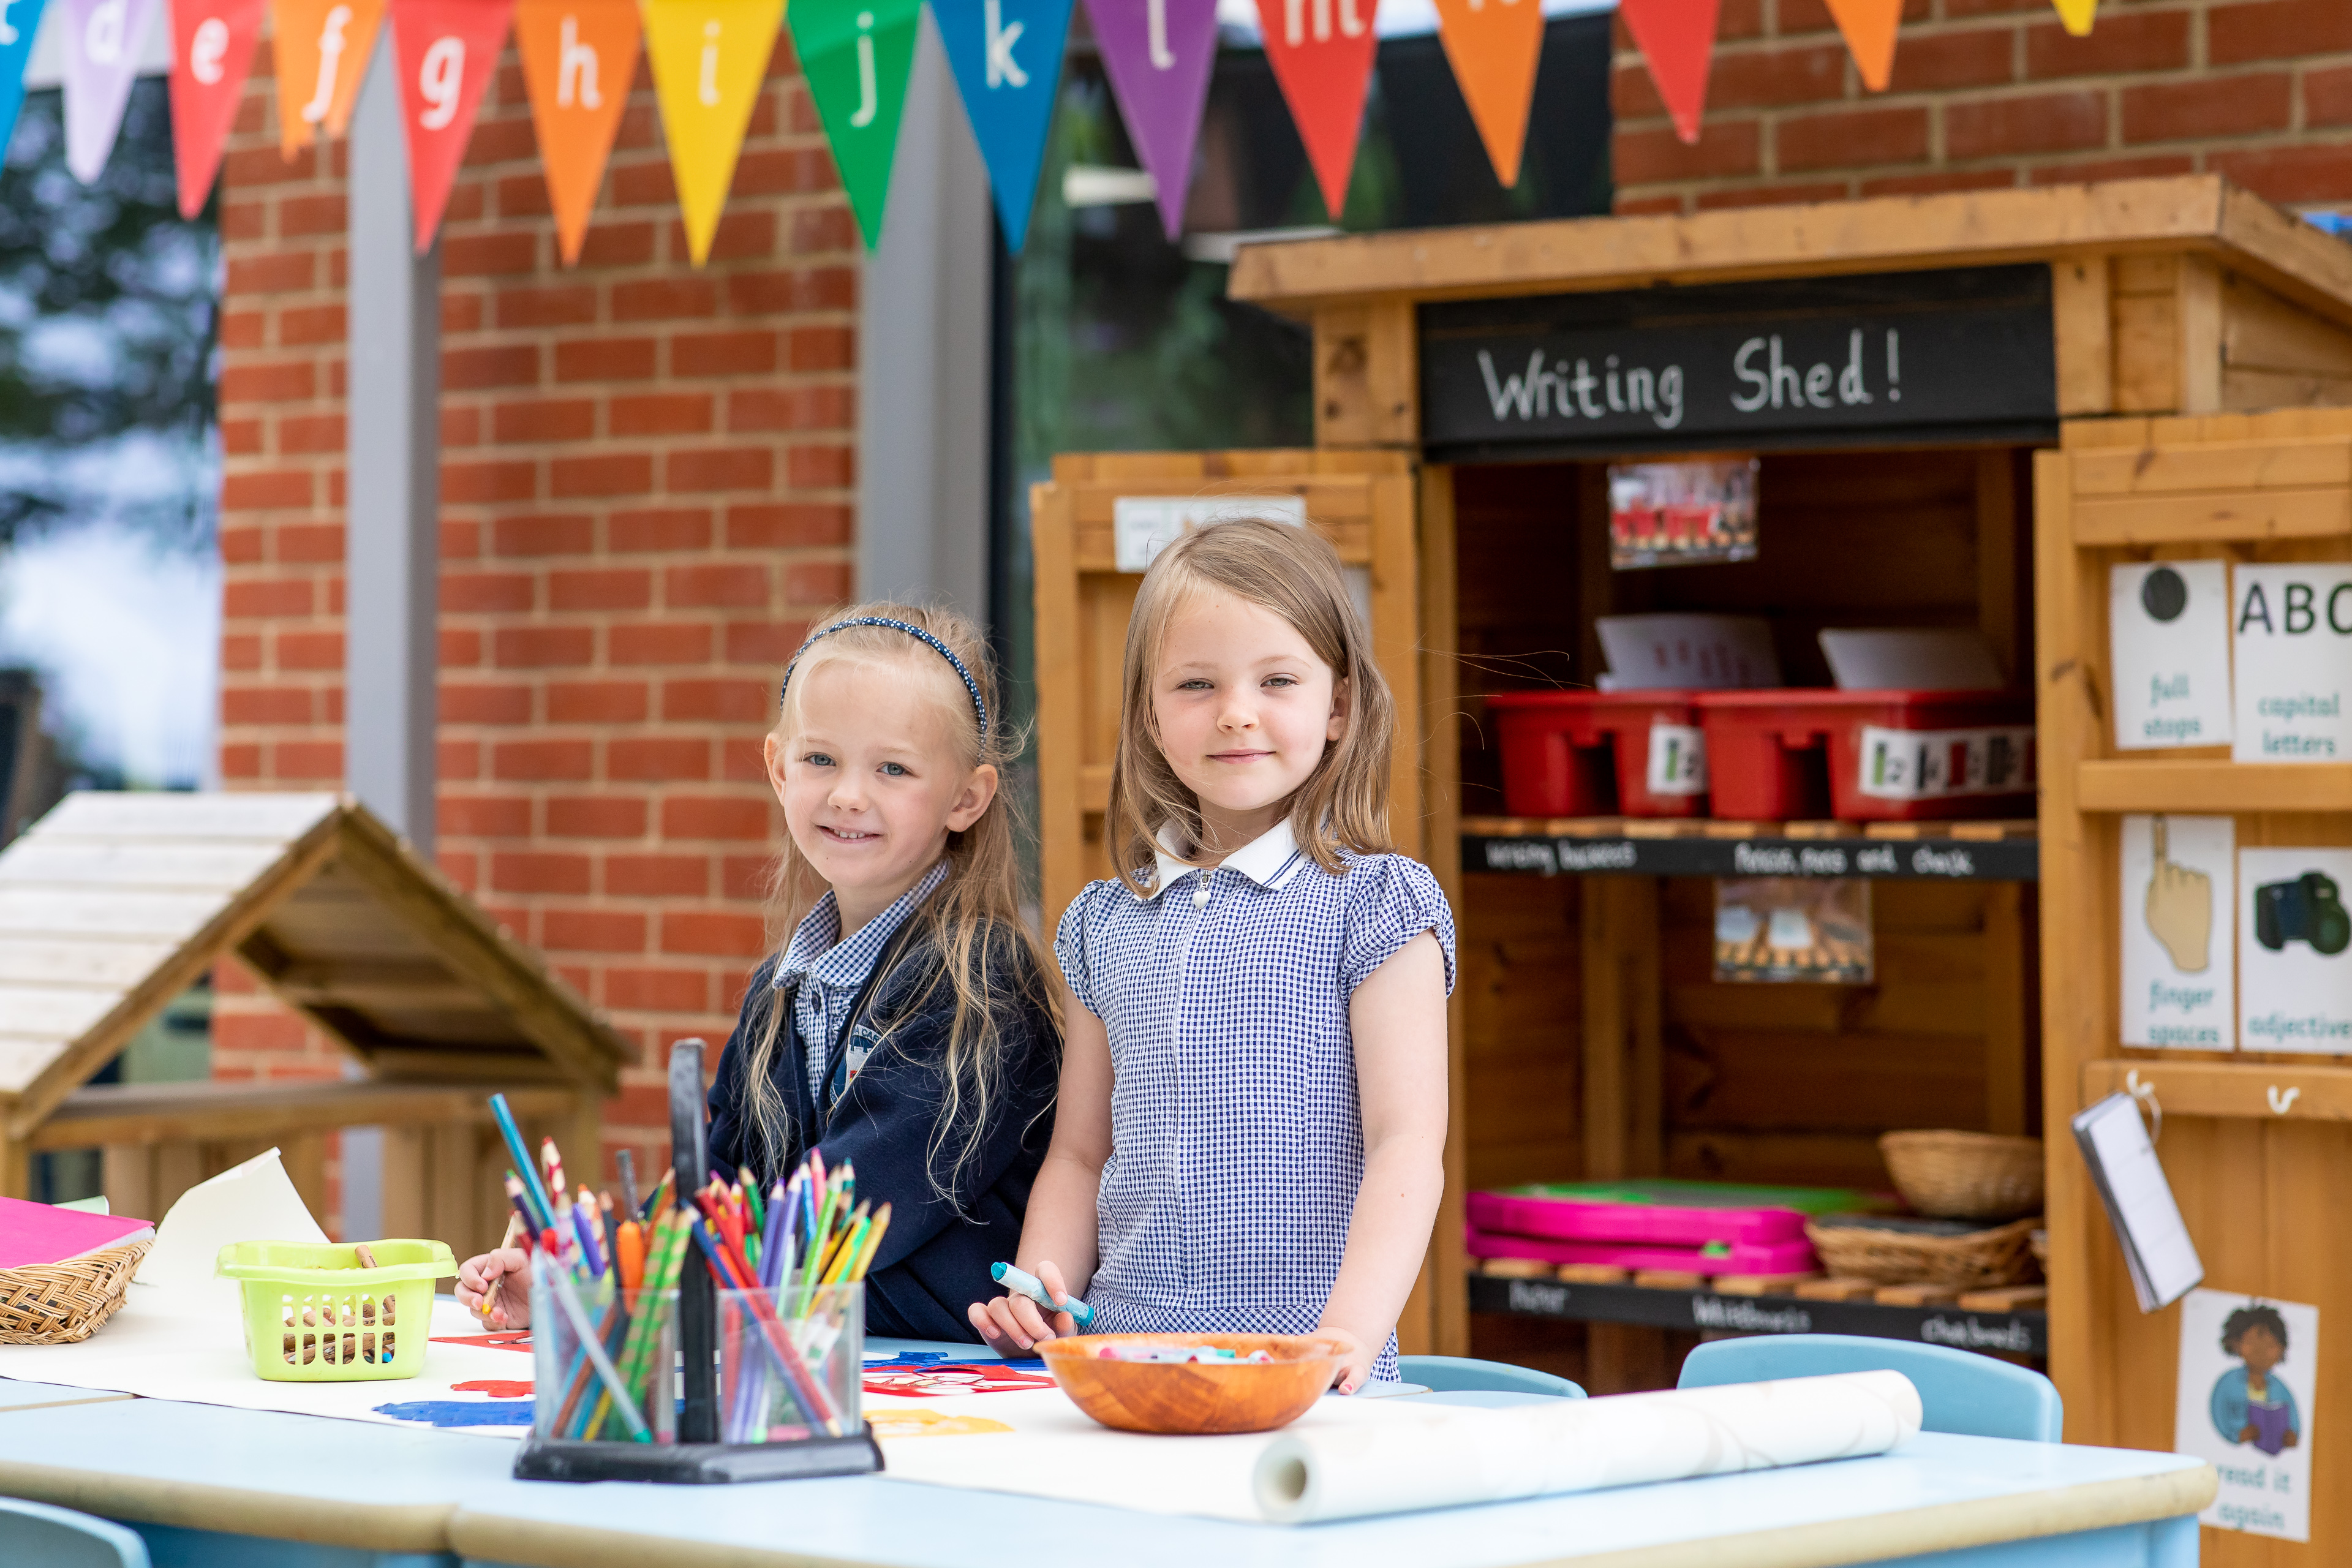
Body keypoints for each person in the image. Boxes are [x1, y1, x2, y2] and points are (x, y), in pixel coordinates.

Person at [458, 603, 1061, 1340]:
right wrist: (574, 1279)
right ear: (779, 768)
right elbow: (715, 1186)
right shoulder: (783, 986)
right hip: (812, 1356)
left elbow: (835, 1219)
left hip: (944, 1376)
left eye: (893, 768)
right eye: (820, 760)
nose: (847, 794)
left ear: (966, 798)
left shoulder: (978, 983)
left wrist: (627, 1288)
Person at [968, 518, 1453, 1393]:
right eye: (1196, 683)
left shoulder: (1379, 903)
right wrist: (1042, 1286)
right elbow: (1081, 1154)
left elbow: (1406, 1143)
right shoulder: (1101, 922)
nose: (1236, 711)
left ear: (1337, 706)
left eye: (1277, 680)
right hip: (1123, 1372)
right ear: (1150, 715)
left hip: (1307, 1387)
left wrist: (1344, 1335)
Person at [2211, 1302, 2301, 1457]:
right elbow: (2219, 1413)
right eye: (2251, 1342)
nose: (2260, 1351)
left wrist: (2292, 1436)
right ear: (2236, 1344)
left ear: (2281, 1349)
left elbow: (2293, 1418)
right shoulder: (2227, 1383)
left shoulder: (2281, 1388)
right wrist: (2236, 1435)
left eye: (2270, 1345)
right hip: (2233, 1459)